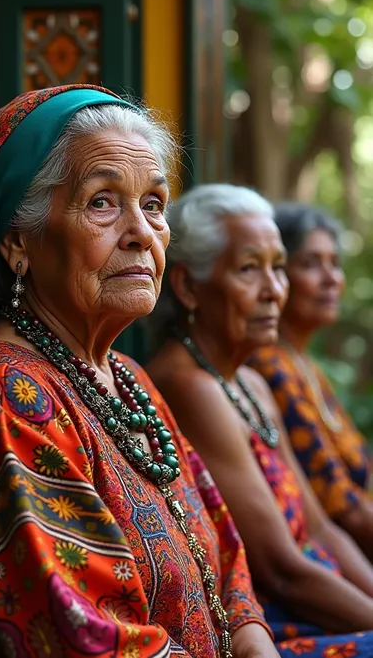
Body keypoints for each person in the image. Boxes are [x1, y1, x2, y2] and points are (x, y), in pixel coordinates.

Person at [0, 86, 280, 658]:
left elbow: (227, 560)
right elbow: (86, 636)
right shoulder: (4, 397)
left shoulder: (130, 380)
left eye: (155, 204)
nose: (142, 231)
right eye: (102, 202)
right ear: (19, 242)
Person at [146, 183, 373, 657]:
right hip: (270, 627)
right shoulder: (189, 385)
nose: (274, 291)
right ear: (188, 286)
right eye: (250, 270)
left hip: (323, 604)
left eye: (278, 268)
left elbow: (320, 529)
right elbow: (280, 571)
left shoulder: (252, 385)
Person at [249, 203, 373, 560]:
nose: (331, 278)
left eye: (334, 263)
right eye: (310, 264)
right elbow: (342, 510)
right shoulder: (269, 365)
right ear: (279, 276)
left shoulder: (306, 367)